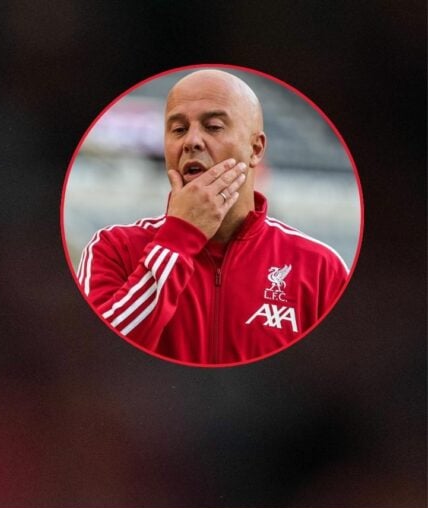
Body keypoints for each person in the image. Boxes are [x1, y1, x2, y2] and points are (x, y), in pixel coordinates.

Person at [76, 69, 350, 365]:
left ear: (255, 149)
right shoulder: (113, 248)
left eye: (214, 126)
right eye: (178, 130)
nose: (192, 141)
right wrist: (179, 237)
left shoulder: (321, 269)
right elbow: (100, 359)